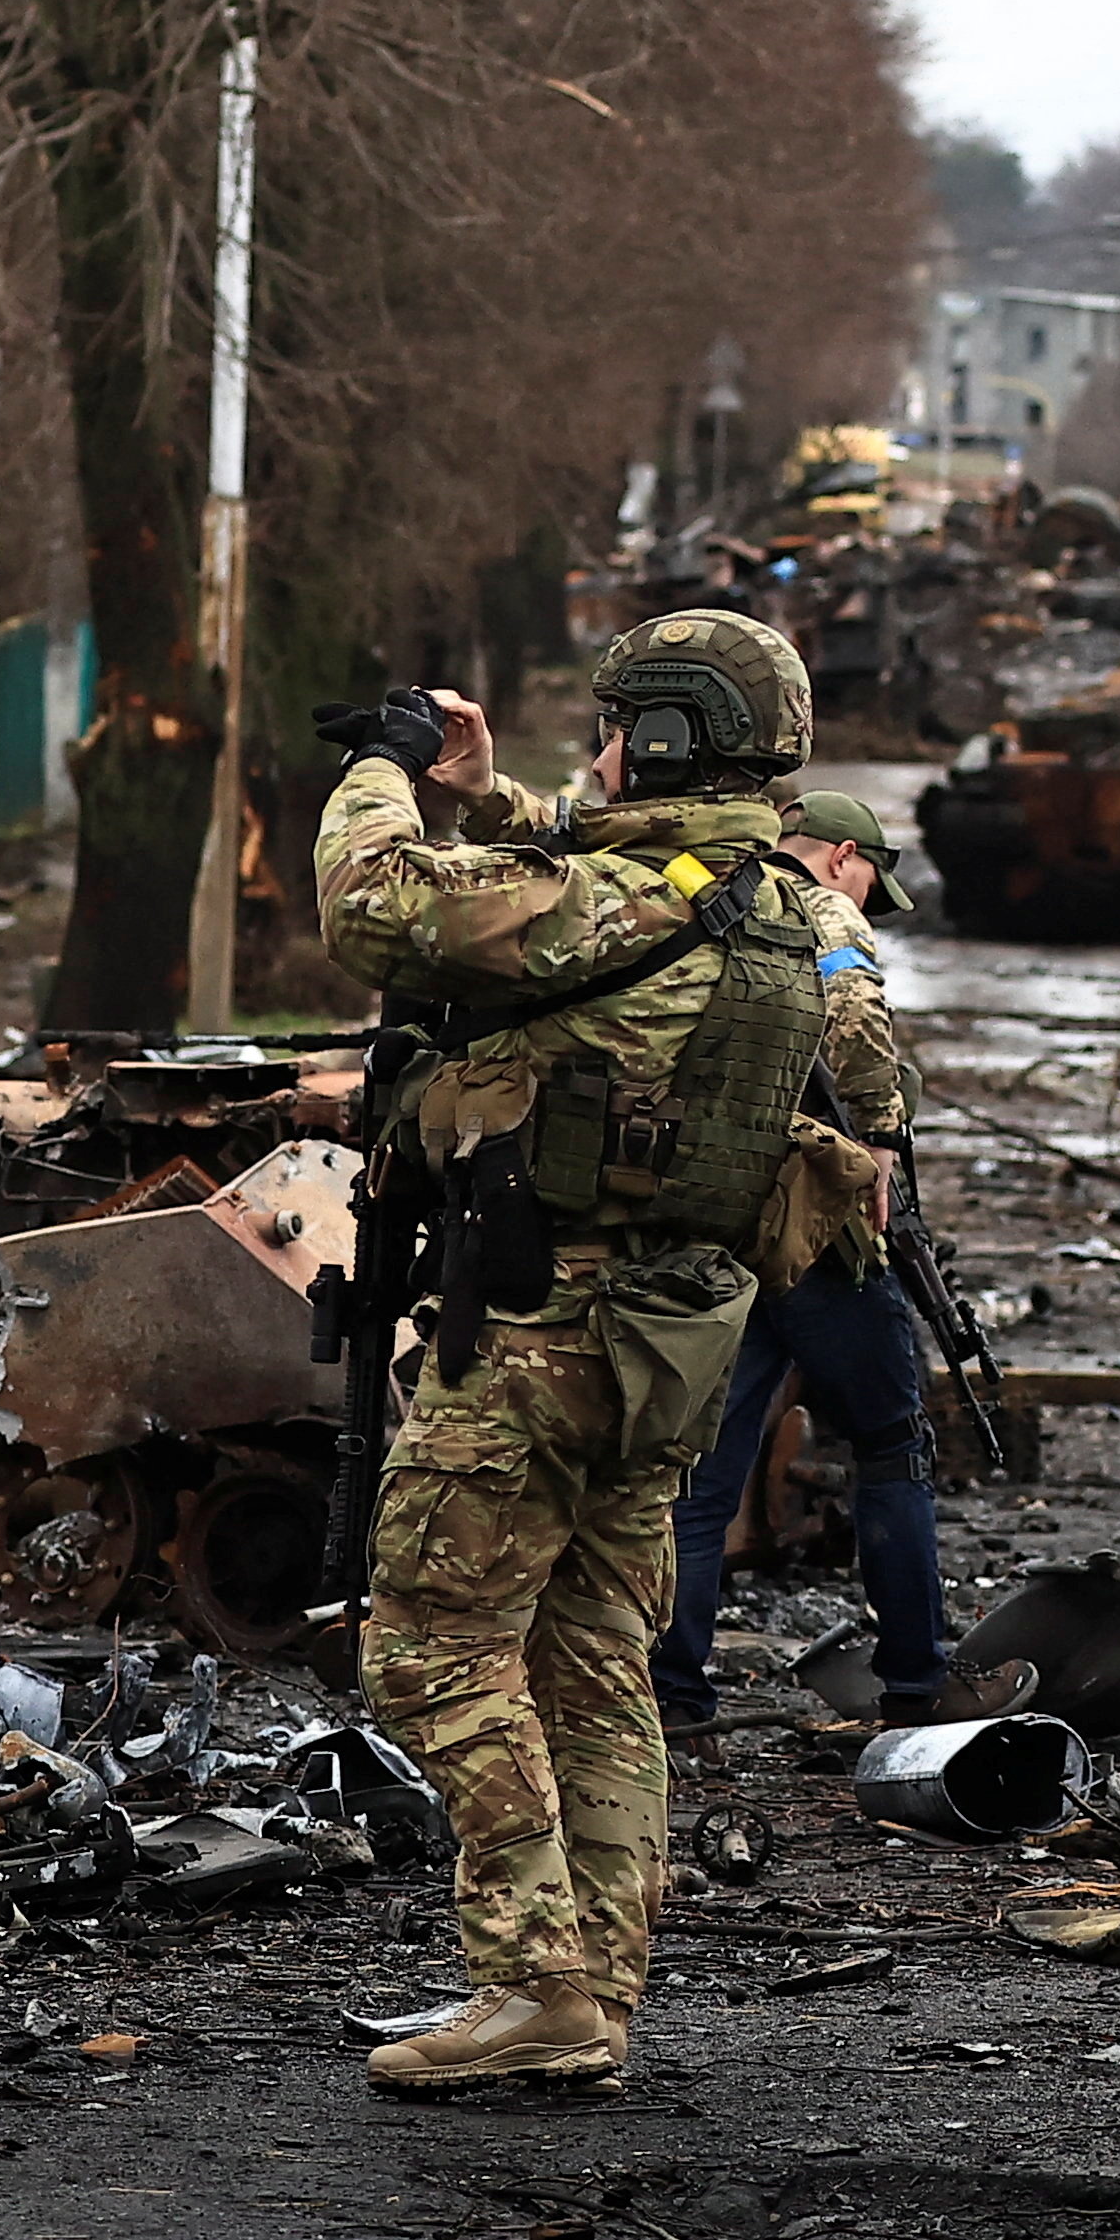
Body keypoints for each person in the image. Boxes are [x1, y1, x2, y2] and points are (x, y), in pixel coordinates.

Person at [316, 613, 852, 2097]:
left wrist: (383, 770)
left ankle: (531, 1977)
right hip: (670, 1341)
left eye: (617, 729)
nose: (596, 754)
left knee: (426, 1642)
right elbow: (587, 872)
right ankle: (589, 1991)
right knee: (592, 1662)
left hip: (538, 1333)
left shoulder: (621, 902)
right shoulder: (780, 908)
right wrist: (487, 796)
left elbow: (374, 908)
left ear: (666, 739)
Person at [647, 791, 1039, 1734]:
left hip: (709, 1222)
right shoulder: (817, 911)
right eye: (868, 880)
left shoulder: (695, 898)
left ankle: (670, 1694)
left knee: (701, 1472)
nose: (867, 902)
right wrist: (886, 1143)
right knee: (890, 1448)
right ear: (837, 857)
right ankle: (916, 1681)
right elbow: (857, 1018)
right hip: (820, 1232)